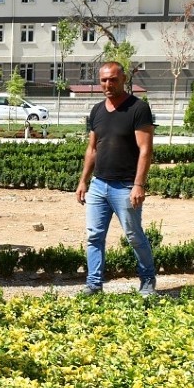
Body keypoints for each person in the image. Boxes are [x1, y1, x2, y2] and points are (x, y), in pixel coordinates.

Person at [75, 60, 158, 297]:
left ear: (123, 80)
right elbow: (92, 148)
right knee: (94, 236)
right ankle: (94, 284)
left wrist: (139, 184)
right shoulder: (97, 110)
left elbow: (145, 149)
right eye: (103, 80)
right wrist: (83, 181)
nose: (108, 84)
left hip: (125, 186)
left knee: (134, 236)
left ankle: (147, 279)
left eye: (113, 79)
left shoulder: (138, 108)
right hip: (99, 185)